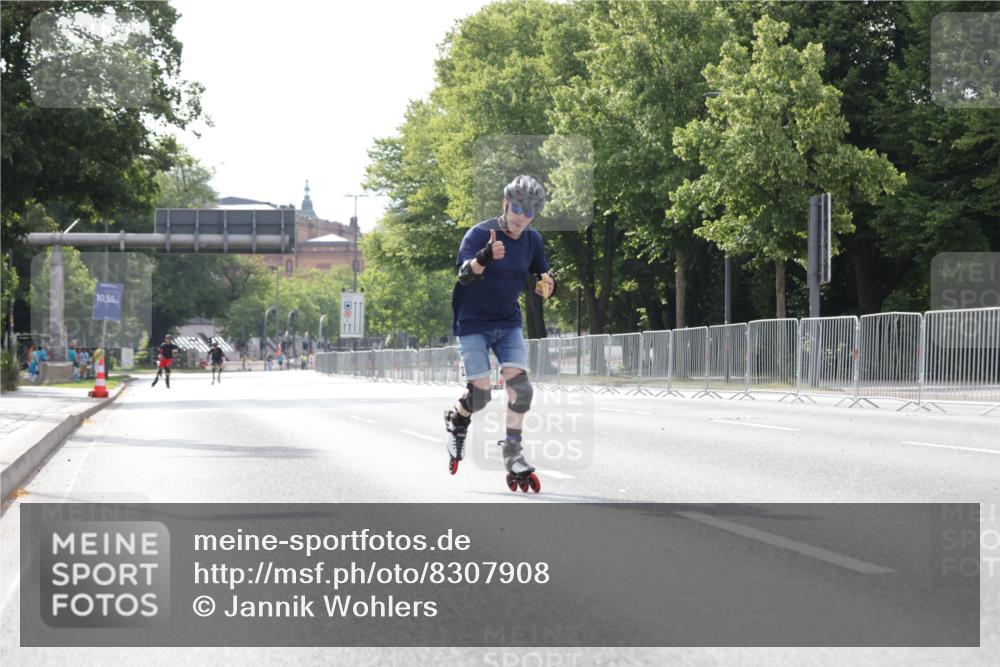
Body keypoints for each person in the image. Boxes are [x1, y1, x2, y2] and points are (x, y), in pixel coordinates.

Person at [443, 174, 556, 489]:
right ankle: (457, 418)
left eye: (530, 212)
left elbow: (543, 274)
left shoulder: (532, 240)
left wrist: (549, 285)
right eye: (518, 208)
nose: (522, 217)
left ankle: (512, 452)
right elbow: (464, 276)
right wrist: (484, 257)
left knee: (522, 389)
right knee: (480, 394)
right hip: (473, 322)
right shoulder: (479, 234)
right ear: (506, 203)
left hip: (507, 322)